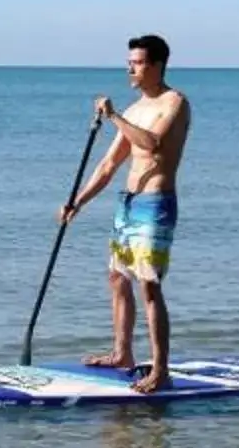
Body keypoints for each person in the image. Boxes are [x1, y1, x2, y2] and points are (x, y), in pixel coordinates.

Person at [57, 34, 191, 392]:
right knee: (117, 278)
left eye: (136, 62)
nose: (129, 67)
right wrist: (78, 202)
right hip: (128, 202)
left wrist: (113, 115)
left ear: (156, 65)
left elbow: (152, 143)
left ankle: (160, 370)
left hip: (155, 203)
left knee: (149, 285)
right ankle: (122, 354)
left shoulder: (174, 103)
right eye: (129, 61)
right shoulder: (134, 111)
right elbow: (108, 165)